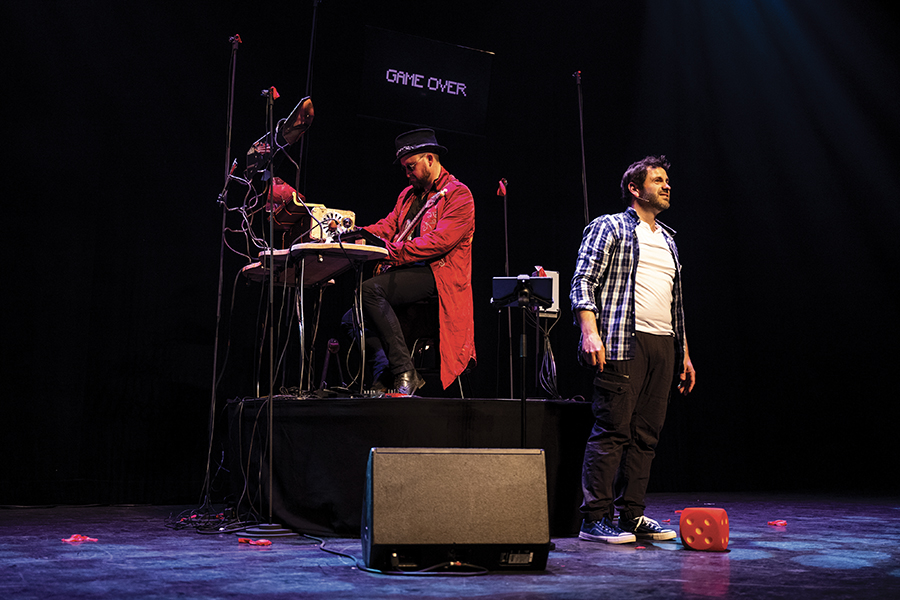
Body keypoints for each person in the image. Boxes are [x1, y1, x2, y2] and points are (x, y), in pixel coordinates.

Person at [570, 155, 696, 544]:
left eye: (667, 180)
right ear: (634, 188)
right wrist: (589, 332)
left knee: (646, 435)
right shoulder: (610, 226)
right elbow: (583, 280)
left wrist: (684, 353)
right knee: (613, 430)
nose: (666, 185)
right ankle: (594, 518)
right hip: (623, 341)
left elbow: (675, 303)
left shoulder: (669, 240)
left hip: (663, 345)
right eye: (658, 180)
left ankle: (631, 514)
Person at [351, 128, 476, 395]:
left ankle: (403, 372)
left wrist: (391, 251)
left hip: (439, 276)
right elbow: (388, 226)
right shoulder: (408, 195)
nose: (407, 174)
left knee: (369, 291)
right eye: (404, 169)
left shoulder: (459, 195)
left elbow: (440, 242)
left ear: (429, 159)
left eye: (411, 167)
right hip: (410, 273)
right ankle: (388, 372)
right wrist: (356, 235)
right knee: (351, 318)